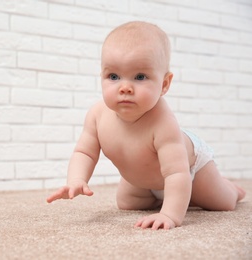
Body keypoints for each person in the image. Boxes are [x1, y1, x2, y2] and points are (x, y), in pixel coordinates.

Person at [46, 21, 246, 230]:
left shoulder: (163, 122)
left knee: (221, 203)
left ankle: (229, 189)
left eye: (140, 77)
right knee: (127, 204)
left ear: (164, 84)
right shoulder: (97, 115)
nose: (125, 87)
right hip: (143, 178)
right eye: (113, 76)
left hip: (188, 168)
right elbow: (84, 152)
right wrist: (77, 179)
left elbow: (176, 173)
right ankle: (176, 196)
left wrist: (169, 214)